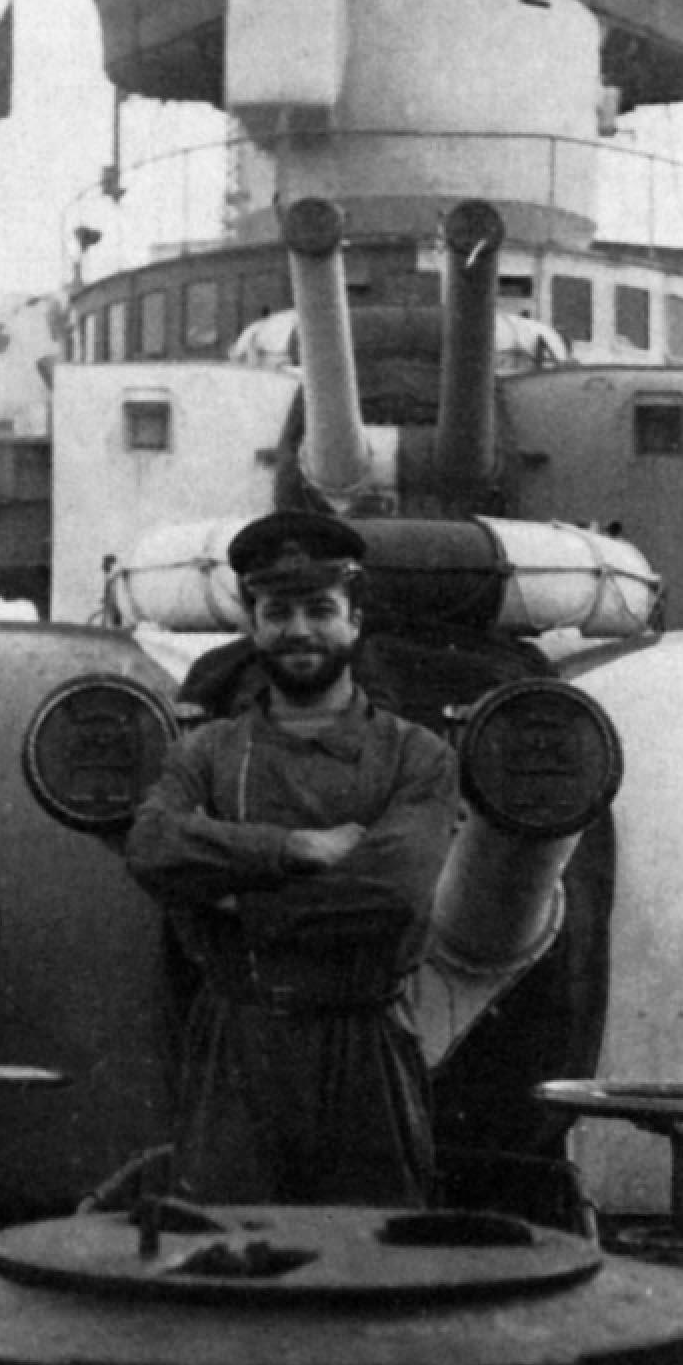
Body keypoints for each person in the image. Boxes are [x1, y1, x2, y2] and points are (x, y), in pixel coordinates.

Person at [125, 511, 460, 1206]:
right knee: (227, 1245)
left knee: (373, 1249)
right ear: (253, 626)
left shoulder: (415, 755)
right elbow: (152, 846)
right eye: (277, 612)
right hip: (238, 1046)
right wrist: (293, 847)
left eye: (320, 610)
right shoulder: (208, 752)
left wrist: (232, 901)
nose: (299, 629)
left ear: (355, 622)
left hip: (363, 1046)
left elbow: (391, 894)